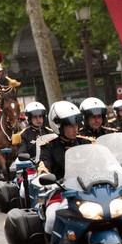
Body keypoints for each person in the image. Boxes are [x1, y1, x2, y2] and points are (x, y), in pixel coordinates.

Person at [37, 101, 93, 236]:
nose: (76, 129)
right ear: (59, 126)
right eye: (70, 126)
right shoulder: (48, 146)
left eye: (77, 124)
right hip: (61, 192)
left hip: (89, 190)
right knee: (51, 220)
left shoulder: (87, 142)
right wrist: (46, 176)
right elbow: (44, 166)